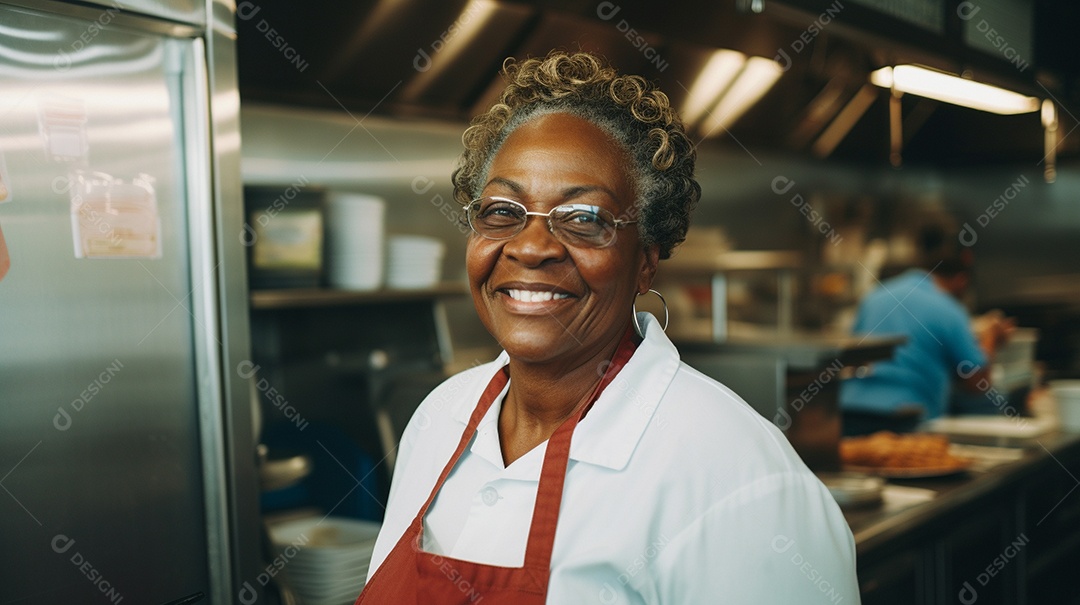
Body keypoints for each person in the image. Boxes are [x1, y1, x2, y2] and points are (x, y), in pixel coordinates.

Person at [357, 50, 858, 604]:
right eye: (502, 211)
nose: (530, 247)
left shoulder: (739, 478)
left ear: (646, 259)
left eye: (584, 219)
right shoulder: (437, 421)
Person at [840, 230, 1014, 435]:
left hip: (849, 411)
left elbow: (851, 357)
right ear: (961, 281)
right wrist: (991, 338)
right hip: (905, 420)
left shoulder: (874, 296)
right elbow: (978, 383)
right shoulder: (949, 308)